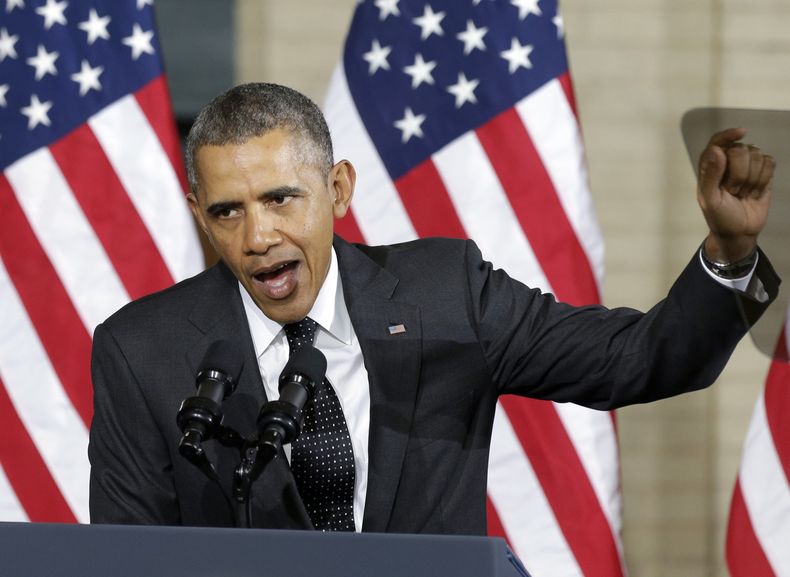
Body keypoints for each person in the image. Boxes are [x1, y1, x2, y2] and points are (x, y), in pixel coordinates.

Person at [89, 83, 779, 533]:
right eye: (226, 211)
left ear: (337, 189)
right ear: (198, 217)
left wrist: (727, 253)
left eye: (280, 199)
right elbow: (123, 559)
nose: (258, 235)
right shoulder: (141, 350)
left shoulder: (447, 293)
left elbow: (639, 359)